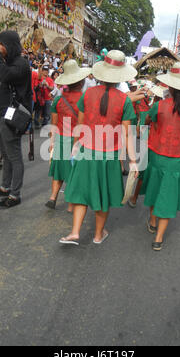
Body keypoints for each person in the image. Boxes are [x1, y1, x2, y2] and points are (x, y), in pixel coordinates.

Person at [60, 50, 138, 246]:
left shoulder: (87, 94)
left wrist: (76, 145)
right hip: (108, 156)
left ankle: (75, 232)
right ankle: (98, 234)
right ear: (120, 76)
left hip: (86, 151)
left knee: (80, 193)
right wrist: (133, 161)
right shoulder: (124, 100)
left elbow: (80, 124)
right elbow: (126, 134)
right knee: (103, 196)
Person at [141, 62, 180, 251]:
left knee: (155, 188)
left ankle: (152, 221)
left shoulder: (160, 106)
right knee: (168, 195)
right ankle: (158, 238)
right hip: (178, 159)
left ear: (171, 86)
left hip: (158, 155)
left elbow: (147, 120)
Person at [0, 31, 32, 209]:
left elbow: (6, 76)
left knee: (14, 156)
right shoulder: (9, 62)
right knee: (5, 155)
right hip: (0, 113)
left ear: (10, 45)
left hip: (12, 116)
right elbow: (5, 80)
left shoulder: (21, 63)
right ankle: (5, 187)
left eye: (1, 45)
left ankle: (15, 194)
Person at [46, 60, 90, 211]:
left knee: (58, 171)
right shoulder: (86, 99)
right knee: (74, 172)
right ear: (81, 80)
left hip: (60, 139)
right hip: (79, 140)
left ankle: (53, 197)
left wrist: (51, 142)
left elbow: (54, 123)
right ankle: (71, 204)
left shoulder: (58, 99)